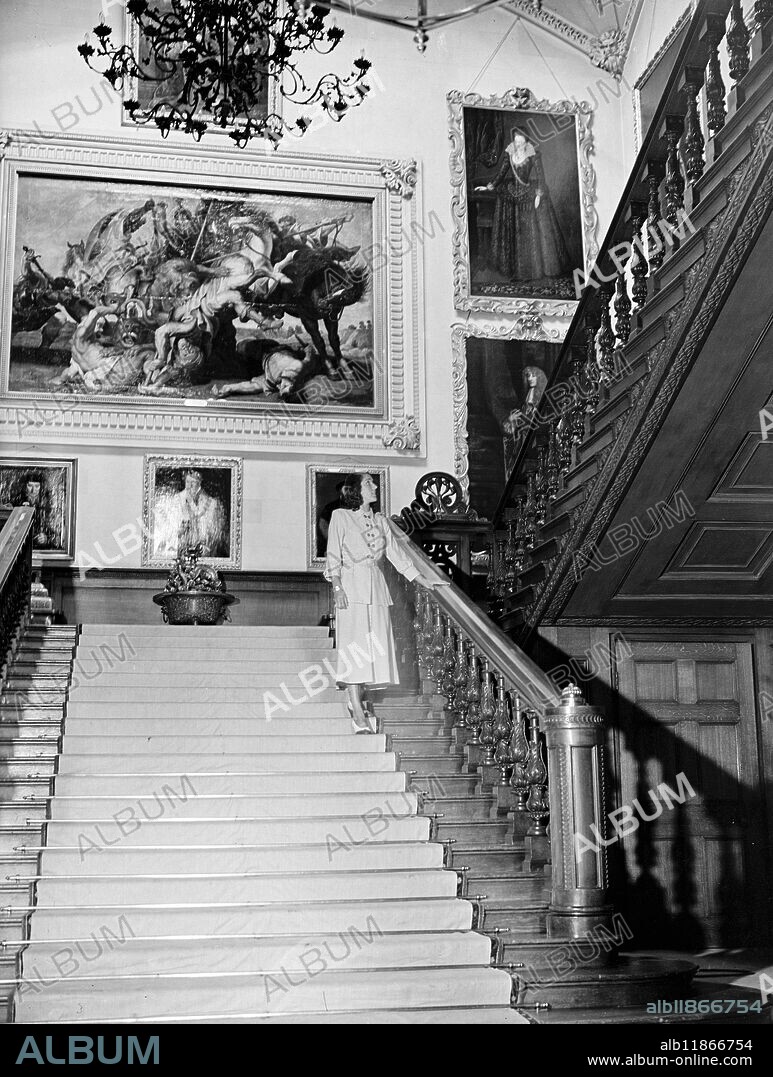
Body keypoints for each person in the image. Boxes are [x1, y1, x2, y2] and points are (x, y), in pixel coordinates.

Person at [324, 472, 440, 733]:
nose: (374, 486)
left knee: (370, 647)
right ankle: (355, 704)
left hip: (376, 588)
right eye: (368, 483)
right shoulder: (340, 517)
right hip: (350, 589)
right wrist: (337, 586)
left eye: (373, 482)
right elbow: (333, 554)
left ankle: (356, 698)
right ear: (355, 490)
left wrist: (424, 580)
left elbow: (399, 558)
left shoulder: (381, 521)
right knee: (354, 645)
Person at [475, 127, 571, 284]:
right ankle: (511, 269)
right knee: (512, 232)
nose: (518, 144)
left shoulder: (533, 154)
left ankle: (529, 271)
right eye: (516, 141)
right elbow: (502, 172)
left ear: (526, 141)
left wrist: (539, 195)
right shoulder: (510, 152)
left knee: (529, 233)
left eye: (521, 141)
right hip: (511, 193)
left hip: (528, 193)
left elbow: (541, 177)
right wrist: (489, 186)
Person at [155, 469, 227, 560]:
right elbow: (168, 527)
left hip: (202, 551)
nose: (189, 485)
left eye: (193, 482)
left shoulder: (211, 503)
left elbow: (213, 532)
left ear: (199, 483)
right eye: (187, 481)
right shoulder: (175, 500)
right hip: (179, 547)